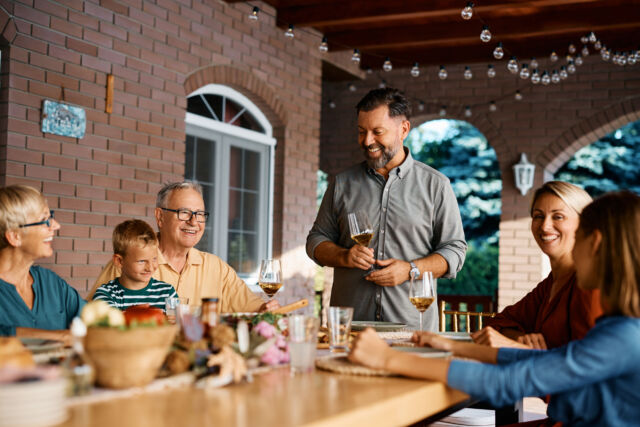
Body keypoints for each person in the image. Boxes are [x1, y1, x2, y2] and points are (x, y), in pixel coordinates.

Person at [350, 191, 640, 426]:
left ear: (596, 243)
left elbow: (508, 382)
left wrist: (388, 359)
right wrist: (457, 347)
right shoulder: (622, 328)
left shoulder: (623, 337)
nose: (574, 251)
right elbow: (549, 360)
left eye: (580, 239)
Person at [306, 88, 466, 330]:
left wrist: (411, 270)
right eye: (362, 132)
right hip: (350, 329)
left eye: (377, 132)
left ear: (404, 130)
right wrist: (343, 256)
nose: (368, 141)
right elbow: (315, 241)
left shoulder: (436, 185)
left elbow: (455, 251)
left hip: (412, 330)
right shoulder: (342, 183)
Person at [89, 182, 278, 313]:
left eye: (200, 214)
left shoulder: (217, 268)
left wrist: (267, 309)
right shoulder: (127, 263)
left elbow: (255, 311)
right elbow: (92, 320)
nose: (194, 221)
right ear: (160, 217)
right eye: (184, 212)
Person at [473, 181, 602, 349]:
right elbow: (494, 324)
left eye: (558, 216)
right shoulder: (549, 285)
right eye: (538, 216)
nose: (545, 226)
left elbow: (589, 361)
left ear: (583, 224)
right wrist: (520, 339)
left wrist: (522, 348)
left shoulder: (589, 284)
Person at [0, 185, 85, 344]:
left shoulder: (51, 284)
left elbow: (93, 318)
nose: (56, 226)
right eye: (44, 220)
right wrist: (61, 336)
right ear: (15, 236)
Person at [93, 220, 178, 312]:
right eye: (141, 261)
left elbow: (178, 324)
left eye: (154, 259)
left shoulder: (168, 293)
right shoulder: (106, 294)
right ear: (119, 261)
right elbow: (111, 323)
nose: (150, 268)